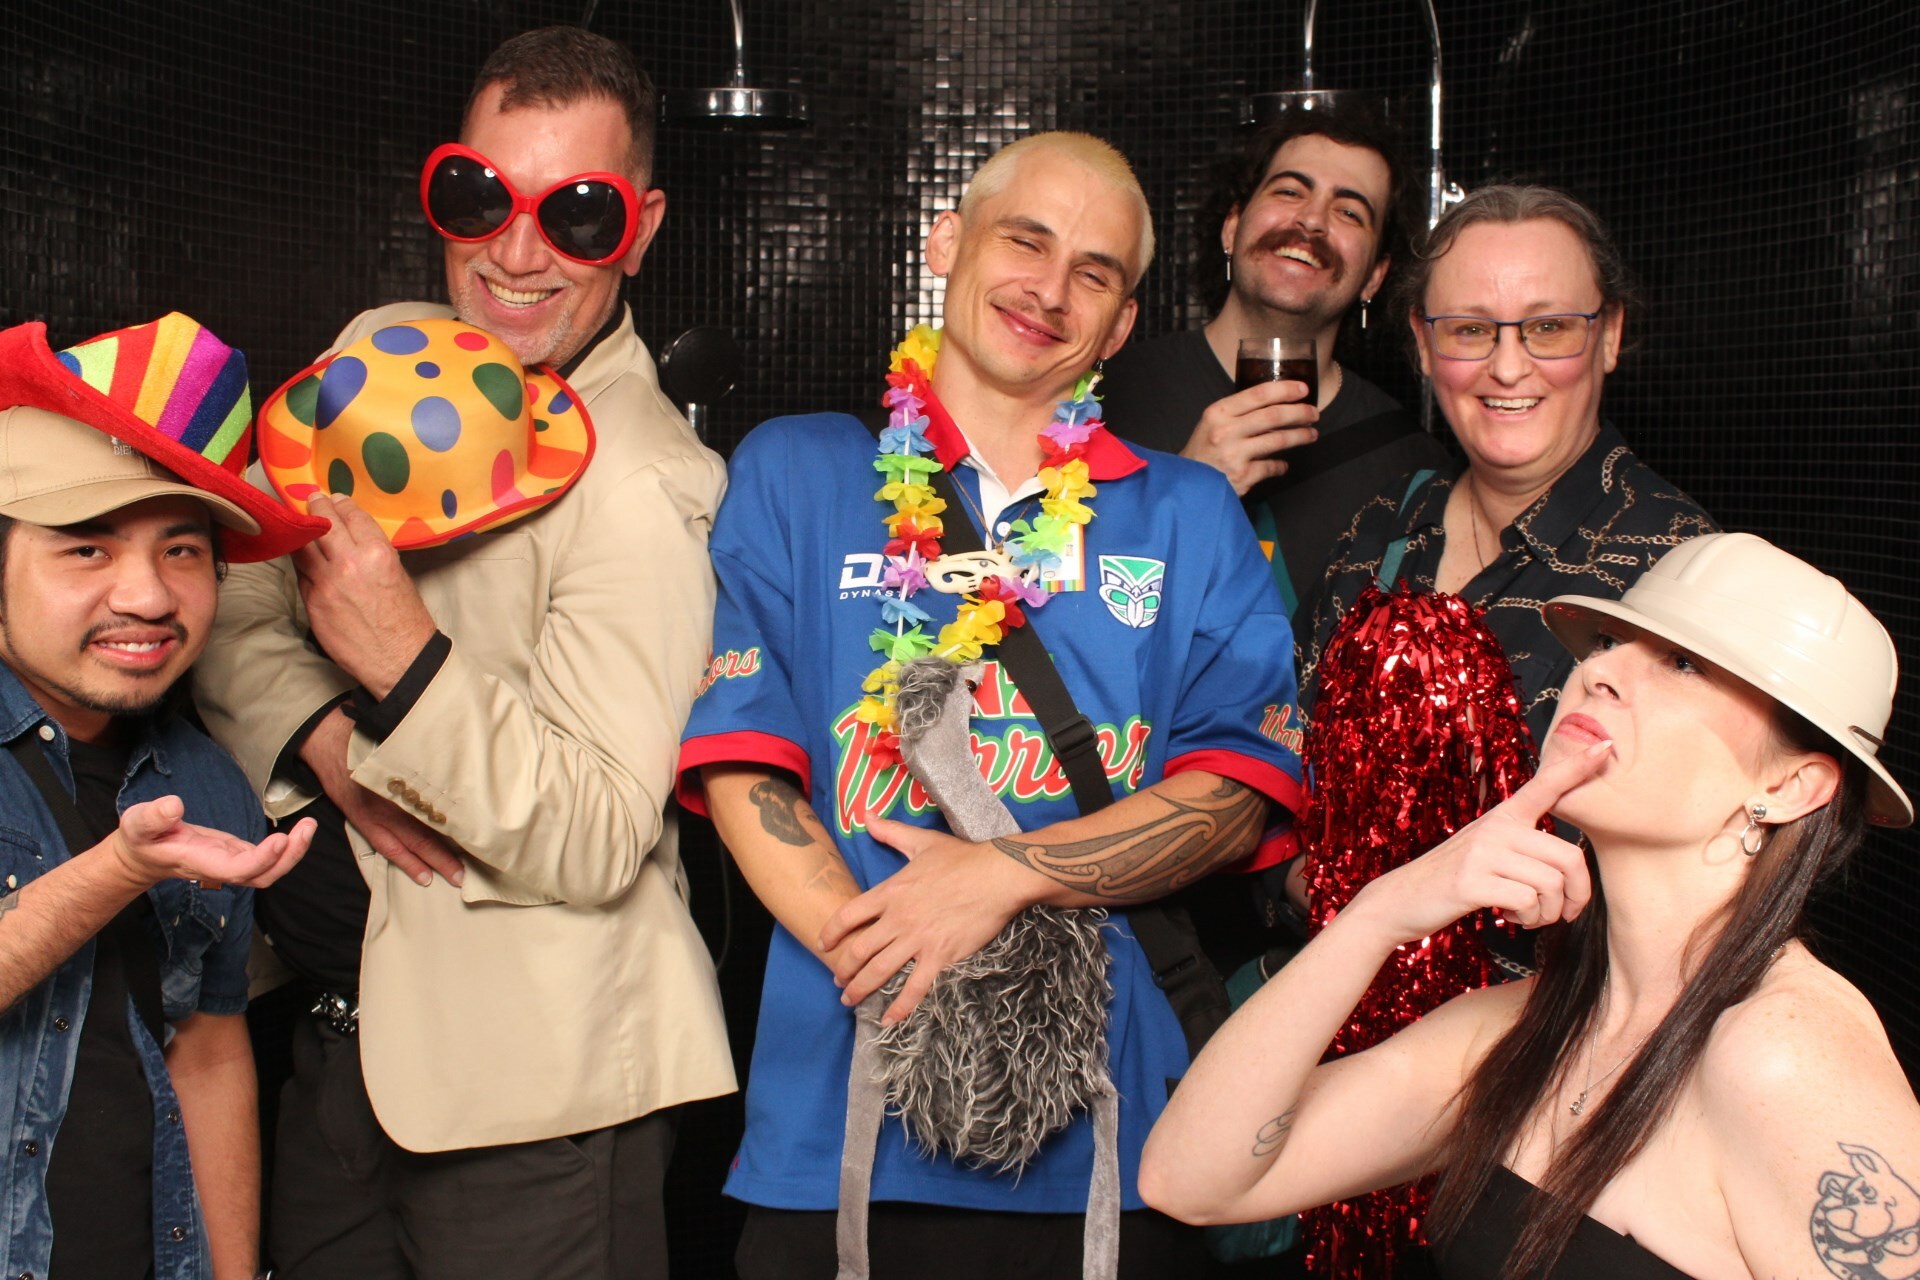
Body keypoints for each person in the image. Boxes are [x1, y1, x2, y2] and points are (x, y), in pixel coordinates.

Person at [676, 132, 1307, 1278]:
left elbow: (1234, 798)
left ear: (1119, 325)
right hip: (834, 1135)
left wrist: (1001, 875)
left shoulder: (1188, 513)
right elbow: (742, 766)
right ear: (948, 240)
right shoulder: (797, 471)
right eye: (1026, 240)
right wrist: (895, 957)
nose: (1049, 289)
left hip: (1115, 1142)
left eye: (1094, 272)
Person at [193, 26, 733, 1280]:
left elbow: (601, 827)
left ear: (640, 229)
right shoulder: (378, 347)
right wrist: (330, 744)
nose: (516, 252)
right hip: (339, 1055)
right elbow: (227, 600)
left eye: (578, 214)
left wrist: (406, 662)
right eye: (480, 196)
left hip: (539, 1102)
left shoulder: (649, 482)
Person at [1142, 530, 1920, 1280]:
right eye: (1610, 642)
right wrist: (1378, 914)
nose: (1600, 671)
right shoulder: (1525, 1028)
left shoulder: (1784, 1055)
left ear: (1789, 786)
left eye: (1683, 663)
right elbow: (1190, 1182)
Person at [0, 313, 320, 1280]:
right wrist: (120, 869)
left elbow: (209, 1053)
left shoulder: (205, 781)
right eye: (86, 551)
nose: (147, 597)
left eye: (181, 551)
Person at [1299, 184, 1717, 750]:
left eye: (1549, 327)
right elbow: (1278, 741)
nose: (1509, 368)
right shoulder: (1386, 523)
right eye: (1470, 330)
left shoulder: (1675, 568)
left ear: (1609, 336)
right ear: (1424, 342)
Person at [1099, 100, 1450, 622]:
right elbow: (1053, 616)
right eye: (1289, 191)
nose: (1312, 219)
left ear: (1375, 277)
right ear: (1231, 227)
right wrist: (1186, 493)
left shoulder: (1413, 468)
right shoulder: (1101, 400)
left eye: (1349, 212)